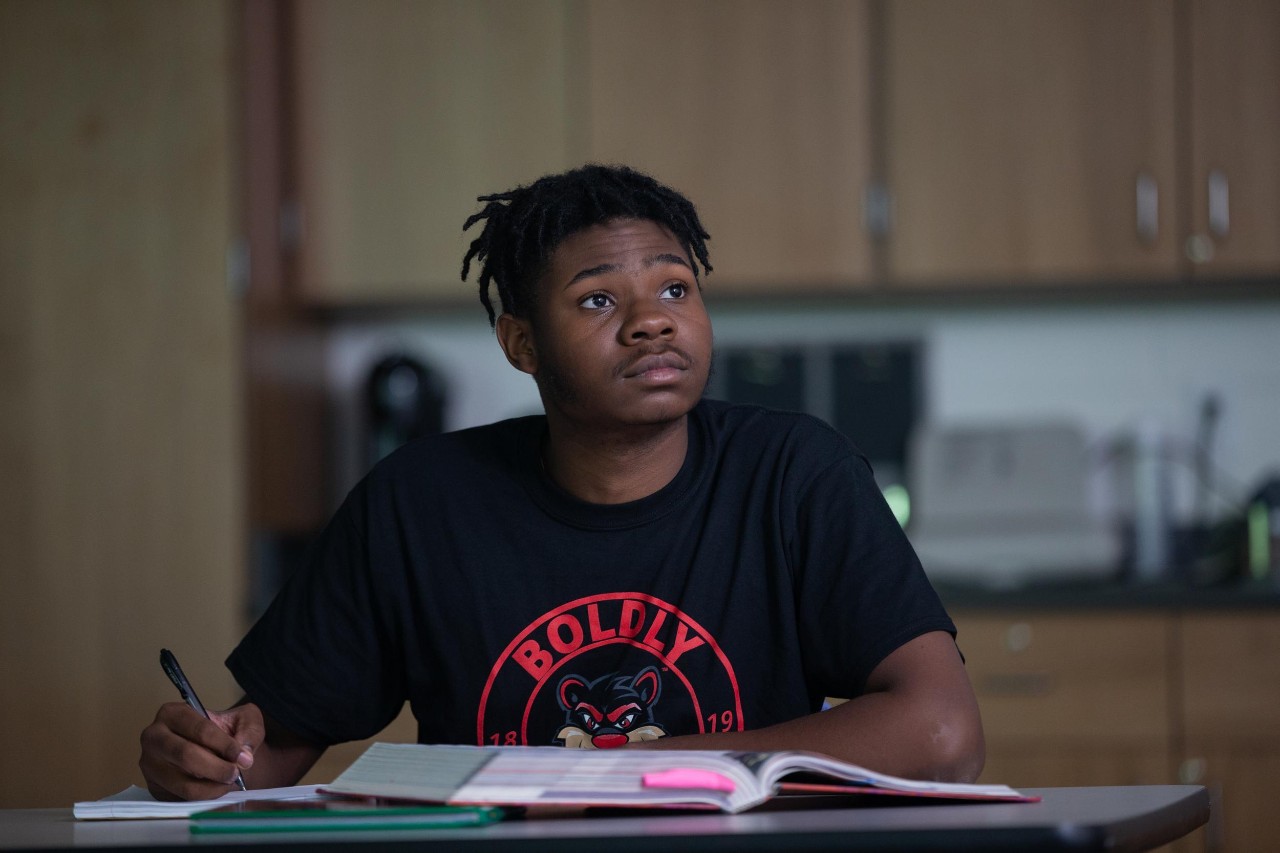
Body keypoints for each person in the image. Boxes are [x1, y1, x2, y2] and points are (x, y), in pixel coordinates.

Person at [139, 164, 984, 801]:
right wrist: (208, 760)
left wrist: (630, 765)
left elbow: (942, 732)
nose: (651, 318)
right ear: (520, 343)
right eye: (596, 301)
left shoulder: (796, 473)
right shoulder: (420, 501)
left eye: (674, 286)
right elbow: (273, 742)